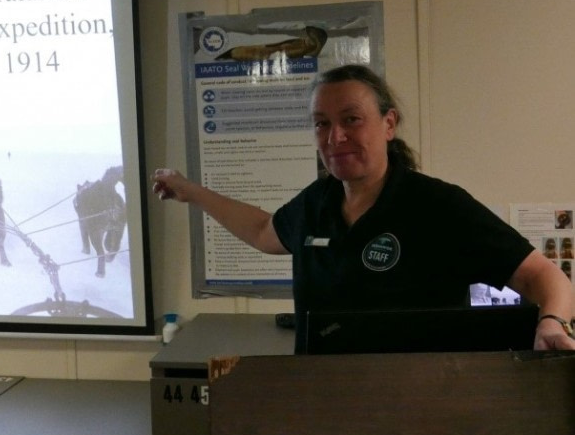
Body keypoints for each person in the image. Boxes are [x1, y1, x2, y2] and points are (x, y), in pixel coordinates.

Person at [152, 64, 575, 352]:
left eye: (351, 119)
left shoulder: (438, 206)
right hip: (326, 405)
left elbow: (544, 275)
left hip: (424, 411)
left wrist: (552, 321)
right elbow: (264, 232)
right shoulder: (318, 202)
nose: (335, 137)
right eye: (322, 123)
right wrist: (191, 192)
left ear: (388, 124)